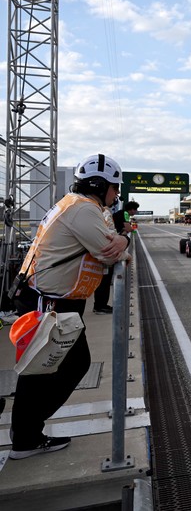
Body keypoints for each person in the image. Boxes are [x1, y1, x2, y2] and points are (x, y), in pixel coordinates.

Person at [9, 154, 131, 460]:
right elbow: (108, 253)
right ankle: (26, 435)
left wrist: (121, 240)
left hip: (52, 299)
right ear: (98, 185)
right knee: (51, 368)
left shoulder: (77, 206)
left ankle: (26, 431)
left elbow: (109, 243)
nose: (117, 195)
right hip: (51, 302)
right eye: (114, 188)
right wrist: (123, 243)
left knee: (48, 368)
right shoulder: (82, 210)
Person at [92, 200, 139, 314]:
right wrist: (131, 229)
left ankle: (99, 305)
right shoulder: (124, 214)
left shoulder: (117, 213)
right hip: (111, 247)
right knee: (105, 280)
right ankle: (100, 306)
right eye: (135, 209)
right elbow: (128, 229)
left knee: (104, 280)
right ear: (131, 209)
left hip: (108, 245)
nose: (136, 211)